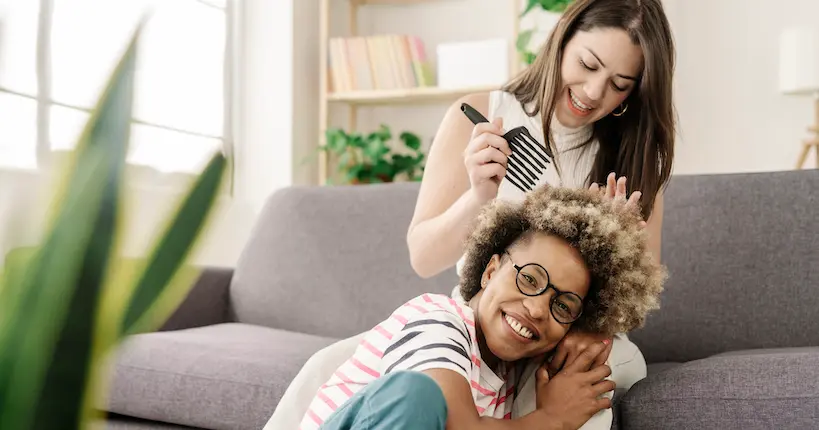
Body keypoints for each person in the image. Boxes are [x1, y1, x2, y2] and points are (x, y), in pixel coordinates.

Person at [264, 0, 675, 428]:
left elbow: (636, 302)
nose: (593, 92)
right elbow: (423, 256)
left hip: (566, 337)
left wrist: (616, 264)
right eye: (587, 64)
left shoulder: (638, 158)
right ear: (561, 40)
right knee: (334, 374)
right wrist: (478, 195)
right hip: (485, 323)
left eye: (619, 84)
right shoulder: (480, 115)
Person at [298, 185, 666, 430]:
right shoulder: (438, 319)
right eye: (529, 279)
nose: (538, 309)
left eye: (563, 306)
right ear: (490, 270)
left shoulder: (510, 378)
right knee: (417, 395)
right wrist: (552, 418)